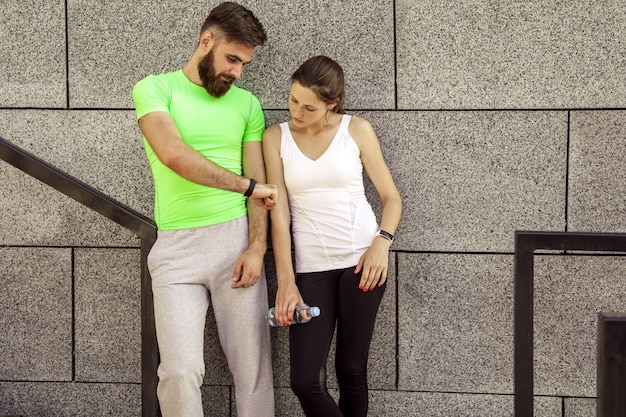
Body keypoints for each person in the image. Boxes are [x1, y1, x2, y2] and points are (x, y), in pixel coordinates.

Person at [131, 3, 276, 417]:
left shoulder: (247, 105)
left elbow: (260, 185)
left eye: (244, 63)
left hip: (235, 242)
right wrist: (247, 186)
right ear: (205, 40)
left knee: (252, 372)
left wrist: (257, 247)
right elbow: (173, 154)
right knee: (177, 371)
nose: (236, 72)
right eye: (232, 59)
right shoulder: (154, 89)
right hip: (176, 248)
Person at [263, 55, 403, 417]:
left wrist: (381, 244)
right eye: (293, 100)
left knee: (351, 370)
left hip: (363, 263)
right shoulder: (275, 137)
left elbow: (391, 198)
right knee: (305, 380)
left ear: (333, 104)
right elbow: (279, 214)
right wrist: (286, 281)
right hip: (310, 270)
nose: (297, 111)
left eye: (309, 107)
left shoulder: (356, 130)